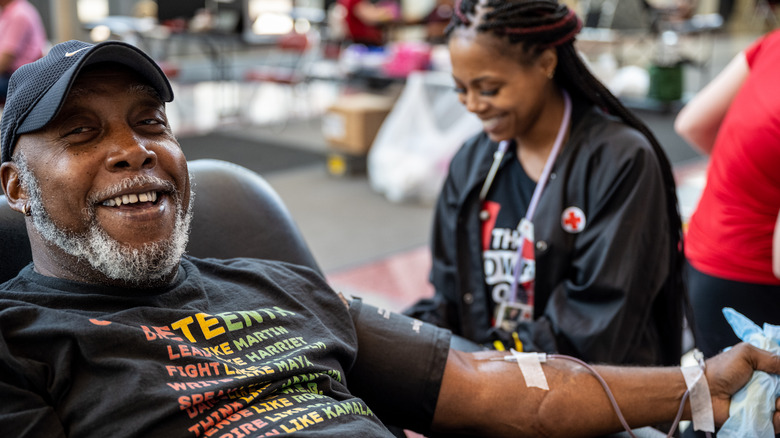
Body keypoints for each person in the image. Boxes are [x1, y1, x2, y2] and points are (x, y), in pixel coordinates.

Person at [0, 39, 778, 438]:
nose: (133, 148)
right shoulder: (21, 344)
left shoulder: (280, 286)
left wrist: (696, 386)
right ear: (14, 188)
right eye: (80, 132)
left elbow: (481, 385)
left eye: (149, 122)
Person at [404, 0, 687, 367]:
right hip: (492, 389)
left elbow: (594, 326)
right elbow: (451, 296)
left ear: (545, 63)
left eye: (488, 89)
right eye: (461, 88)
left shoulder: (620, 161)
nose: (472, 105)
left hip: (592, 398)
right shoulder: (471, 162)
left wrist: (481, 366)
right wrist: (399, 339)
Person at [673, 29, 780, 360]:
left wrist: (756, 172)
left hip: (701, 258)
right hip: (751, 284)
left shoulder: (772, 43)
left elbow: (692, 124)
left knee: (716, 402)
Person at [0, 0, 46, 102]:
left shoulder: (19, 14)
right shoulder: (9, 12)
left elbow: (7, 57)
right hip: (10, 74)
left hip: (20, 78)